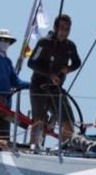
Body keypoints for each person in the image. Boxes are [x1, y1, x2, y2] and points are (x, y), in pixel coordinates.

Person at [27, 14, 82, 145]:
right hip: (39, 86)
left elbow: (77, 62)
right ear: (55, 28)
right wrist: (50, 74)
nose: (65, 31)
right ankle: (33, 147)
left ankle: (65, 148)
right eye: (62, 28)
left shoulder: (70, 46)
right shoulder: (44, 43)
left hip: (56, 88)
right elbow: (31, 62)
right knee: (39, 120)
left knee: (68, 120)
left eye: (68, 29)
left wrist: (68, 69)